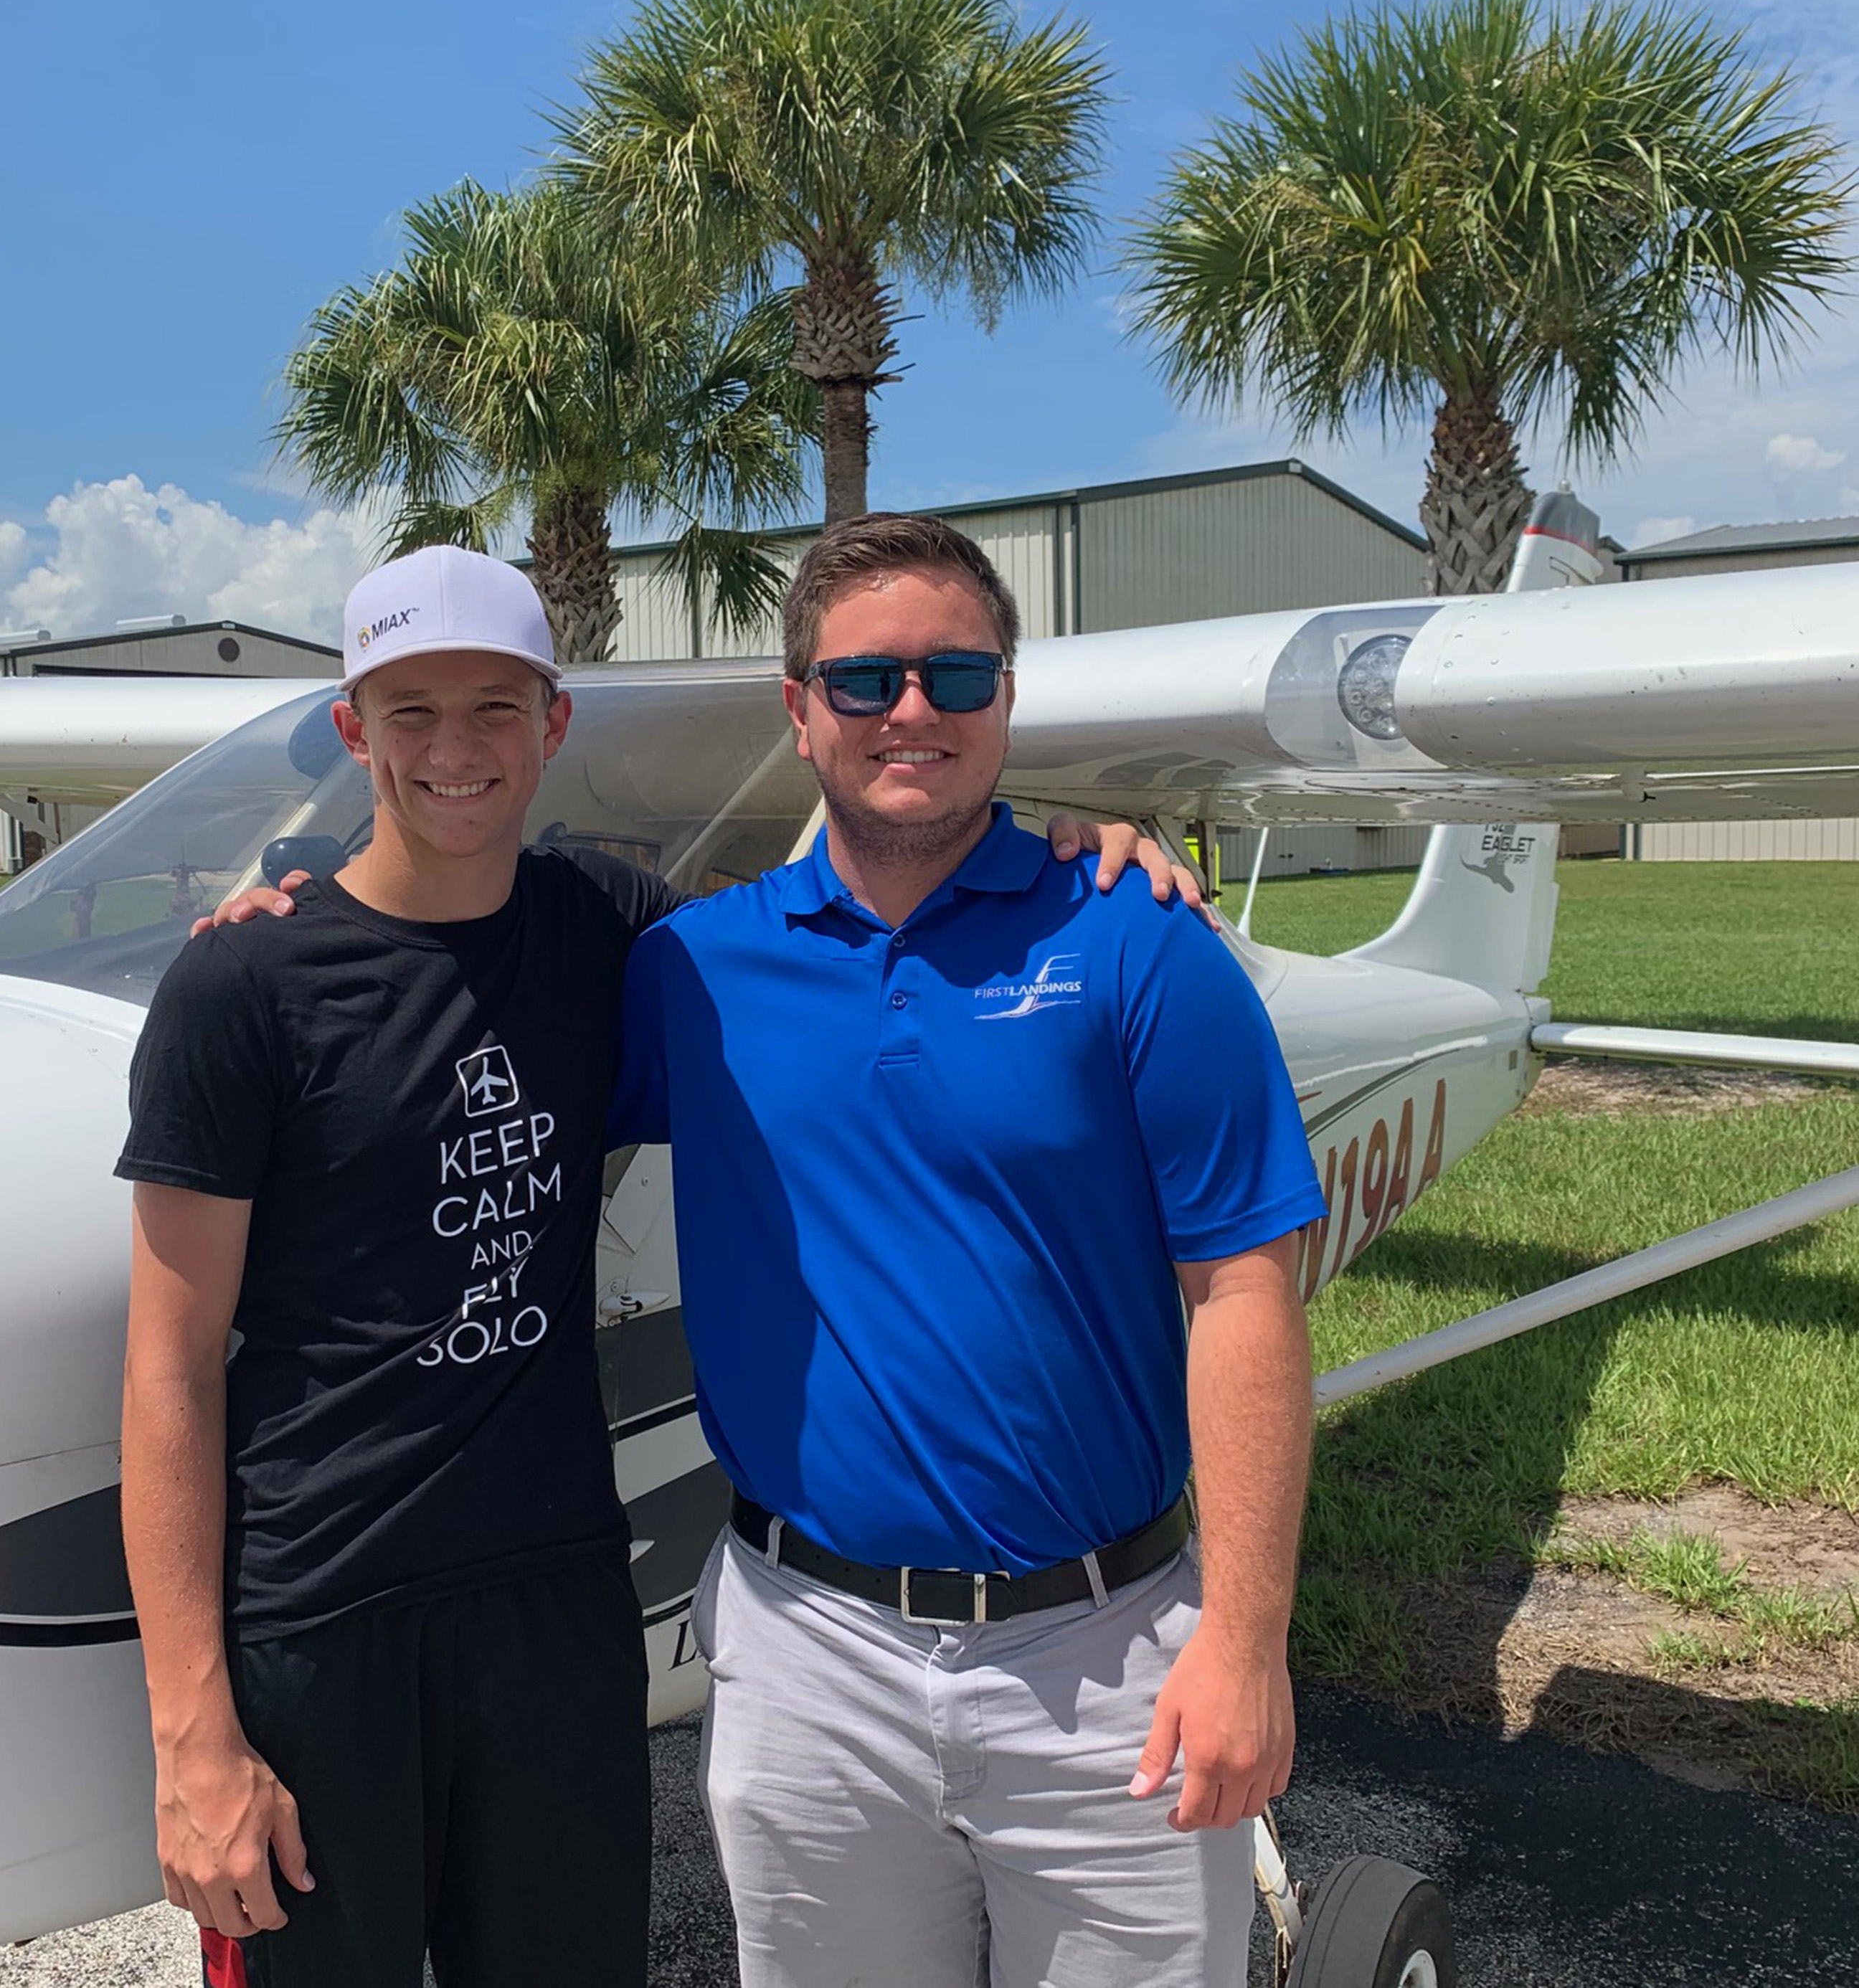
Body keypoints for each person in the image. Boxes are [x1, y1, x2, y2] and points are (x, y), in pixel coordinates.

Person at [120, 541, 1188, 1988]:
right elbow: (170, 1369)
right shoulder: (241, 984)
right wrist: (192, 1731)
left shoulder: (612, 935)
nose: (454, 748)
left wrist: (1075, 860)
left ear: (553, 722)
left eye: (495, 707)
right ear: (352, 730)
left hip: (558, 1602)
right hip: (325, 1613)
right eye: (410, 710)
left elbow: (833, 942)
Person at [607, 512, 1327, 1988]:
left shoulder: (1137, 936)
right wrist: (281, 924)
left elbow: (1244, 1292)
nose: (913, 711)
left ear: (1007, 696)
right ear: (800, 707)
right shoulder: (694, 968)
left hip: (1105, 1651)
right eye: (866, 680)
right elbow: (464, 1016)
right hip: (807, 1651)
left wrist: (1247, 1641)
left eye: (957, 675)